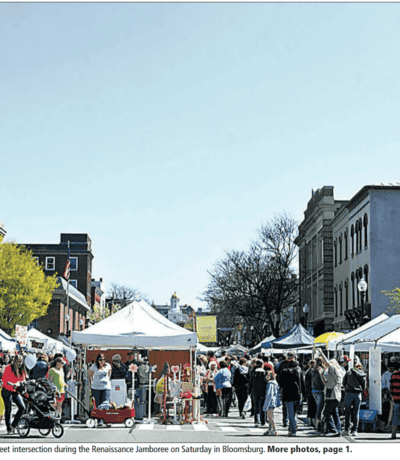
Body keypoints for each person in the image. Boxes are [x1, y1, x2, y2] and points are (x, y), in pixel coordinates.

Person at [1, 354, 27, 434]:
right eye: (19, 362)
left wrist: (22, 383)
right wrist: (12, 383)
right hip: (7, 390)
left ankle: (14, 425)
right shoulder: (9, 368)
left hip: (15, 390)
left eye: (21, 362)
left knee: (22, 407)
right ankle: (9, 428)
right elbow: (4, 380)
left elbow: (23, 379)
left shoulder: (22, 369)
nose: (20, 363)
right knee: (8, 409)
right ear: (15, 361)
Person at [319, 353, 343, 437]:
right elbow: (326, 383)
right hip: (331, 395)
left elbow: (327, 363)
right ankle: (338, 430)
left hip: (333, 395)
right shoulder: (331, 374)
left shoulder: (335, 370)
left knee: (326, 413)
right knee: (334, 414)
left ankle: (333, 430)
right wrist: (321, 375)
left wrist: (321, 353)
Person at [342, 356, 367, 436]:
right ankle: (354, 430)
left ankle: (347, 429)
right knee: (356, 412)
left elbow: (344, 382)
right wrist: (361, 390)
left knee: (348, 412)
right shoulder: (361, 372)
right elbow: (364, 384)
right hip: (358, 394)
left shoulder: (348, 372)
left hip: (349, 393)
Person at [279, 359, 304, 437]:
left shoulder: (284, 371)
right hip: (297, 394)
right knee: (295, 412)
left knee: (290, 413)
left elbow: (281, 383)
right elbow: (302, 383)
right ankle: (292, 427)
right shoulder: (299, 372)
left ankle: (292, 430)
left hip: (287, 394)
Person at [88, 353, 112, 425]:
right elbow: (89, 375)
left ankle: (107, 420)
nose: (102, 361)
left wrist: (107, 380)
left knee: (106, 403)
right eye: (100, 360)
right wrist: (91, 383)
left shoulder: (108, 366)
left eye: (103, 360)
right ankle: (99, 420)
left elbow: (109, 374)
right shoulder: (94, 367)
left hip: (106, 387)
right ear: (97, 360)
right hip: (96, 387)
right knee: (98, 404)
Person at [249, 359, 267, 427]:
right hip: (263, 391)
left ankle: (257, 421)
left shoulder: (253, 372)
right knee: (263, 407)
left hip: (254, 391)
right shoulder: (264, 372)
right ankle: (263, 421)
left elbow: (250, 382)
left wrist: (249, 391)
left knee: (256, 407)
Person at [311, 357, 326, 434]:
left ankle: (317, 424)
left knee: (318, 407)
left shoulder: (313, 370)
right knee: (320, 408)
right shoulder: (320, 370)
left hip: (314, 390)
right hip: (320, 390)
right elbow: (322, 380)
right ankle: (318, 425)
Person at [263, 370, 279, 436]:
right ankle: (270, 429)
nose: (266, 377)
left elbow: (269, 394)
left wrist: (266, 405)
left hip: (270, 402)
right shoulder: (274, 383)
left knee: (270, 416)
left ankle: (274, 430)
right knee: (269, 417)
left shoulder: (271, 384)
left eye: (268, 375)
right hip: (273, 401)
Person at [304, 359, 317, 427]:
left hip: (310, 392)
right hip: (312, 391)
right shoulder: (312, 372)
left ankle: (310, 421)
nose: (312, 365)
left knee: (311, 406)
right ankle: (312, 421)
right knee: (313, 406)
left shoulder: (308, 372)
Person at [390, 361, 400, 439]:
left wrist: (393, 396)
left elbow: (391, 388)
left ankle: (393, 434)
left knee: (395, 416)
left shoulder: (394, 375)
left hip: (396, 399)